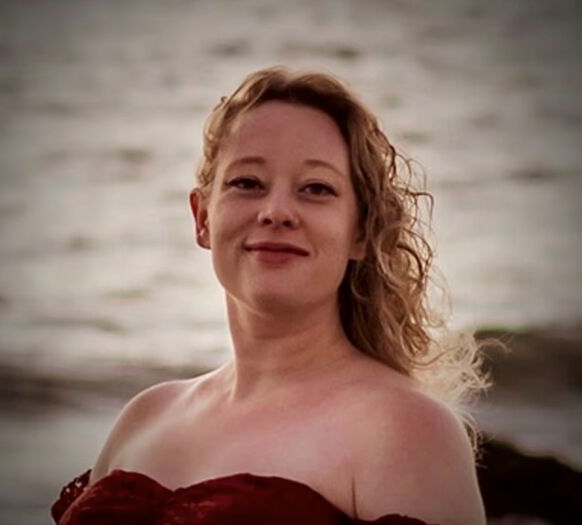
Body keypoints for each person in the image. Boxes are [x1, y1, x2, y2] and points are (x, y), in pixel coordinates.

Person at [52, 66, 487, 525]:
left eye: (316, 188)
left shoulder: (405, 429)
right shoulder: (144, 418)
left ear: (360, 231)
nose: (276, 212)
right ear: (202, 218)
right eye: (247, 183)